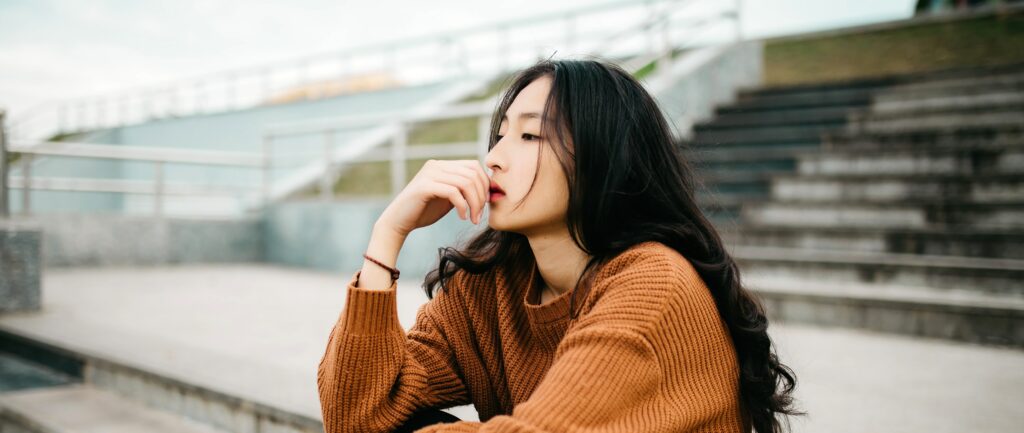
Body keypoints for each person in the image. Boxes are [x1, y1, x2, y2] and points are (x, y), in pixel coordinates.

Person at [317, 58, 804, 433]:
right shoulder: (488, 284)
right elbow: (352, 414)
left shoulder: (654, 285)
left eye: (530, 135)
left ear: (601, 159)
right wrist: (387, 236)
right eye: (501, 133)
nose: (494, 158)